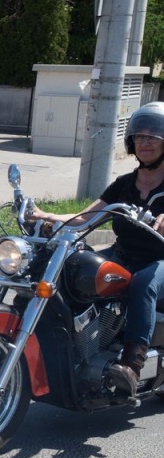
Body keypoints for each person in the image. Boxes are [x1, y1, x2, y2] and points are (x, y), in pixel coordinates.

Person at [29, 102, 164, 396]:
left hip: (158, 259)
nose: (145, 142)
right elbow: (86, 217)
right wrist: (47, 217)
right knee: (77, 267)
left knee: (143, 283)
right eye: (140, 136)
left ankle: (131, 366)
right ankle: (79, 346)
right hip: (123, 254)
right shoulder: (124, 185)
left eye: (153, 136)